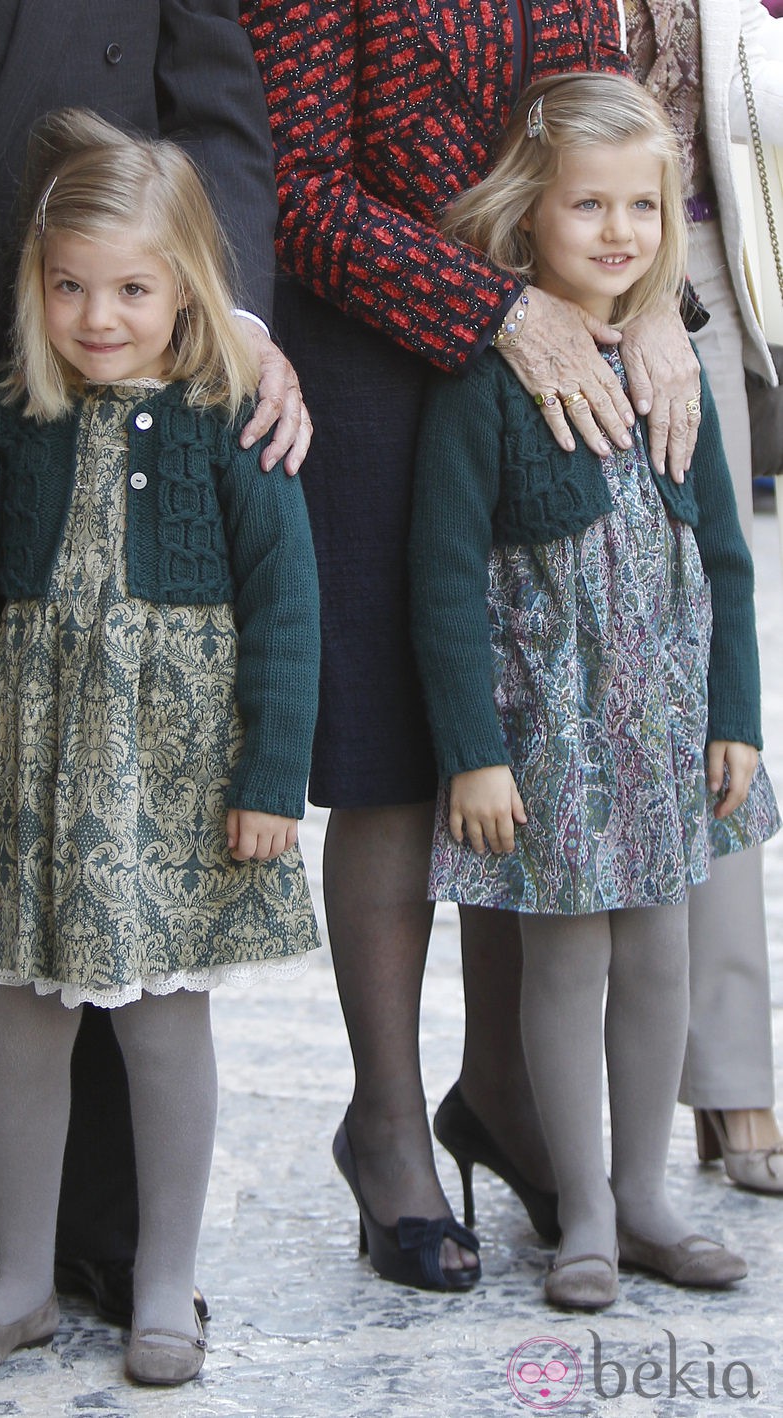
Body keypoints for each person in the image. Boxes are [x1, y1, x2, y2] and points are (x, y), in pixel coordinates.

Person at [0, 1, 310, 1355]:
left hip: (121, 312)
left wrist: (229, 319)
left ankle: (119, 1234)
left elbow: (216, 114)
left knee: (129, 876)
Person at [241, 0, 704, 1289]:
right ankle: (385, 1125)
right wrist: (497, 307)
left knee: (535, 733)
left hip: (563, 337)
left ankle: (503, 1097)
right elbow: (295, 186)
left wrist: (649, 303)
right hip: (383, 357)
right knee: (399, 746)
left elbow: (611, 119)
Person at [410, 71, 779, 1310]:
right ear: (529, 218)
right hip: (550, 734)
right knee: (563, 967)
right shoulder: (487, 382)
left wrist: (735, 716)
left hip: (667, 727)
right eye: (586, 206)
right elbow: (443, 576)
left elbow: (723, 555)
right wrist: (472, 748)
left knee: (659, 958)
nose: (615, 232)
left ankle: (645, 1196)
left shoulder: (673, 371)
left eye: (638, 207)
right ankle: (575, 1210)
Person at [621, 0, 783, 1195]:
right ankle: (561, 1105)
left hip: (710, 285)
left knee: (710, 671)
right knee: (564, 689)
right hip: (523, 290)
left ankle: (732, 1077)